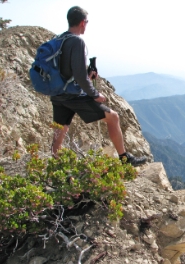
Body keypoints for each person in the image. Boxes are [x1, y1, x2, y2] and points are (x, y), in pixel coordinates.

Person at [50, 6, 147, 167]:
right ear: (82, 22)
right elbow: (80, 77)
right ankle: (124, 159)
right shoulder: (77, 42)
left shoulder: (59, 40)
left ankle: (55, 165)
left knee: (61, 129)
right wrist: (95, 94)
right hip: (73, 95)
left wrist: (89, 76)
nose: (86, 25)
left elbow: (67, 73)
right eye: (86, 22)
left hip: (57, 94)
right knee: (113, 117)